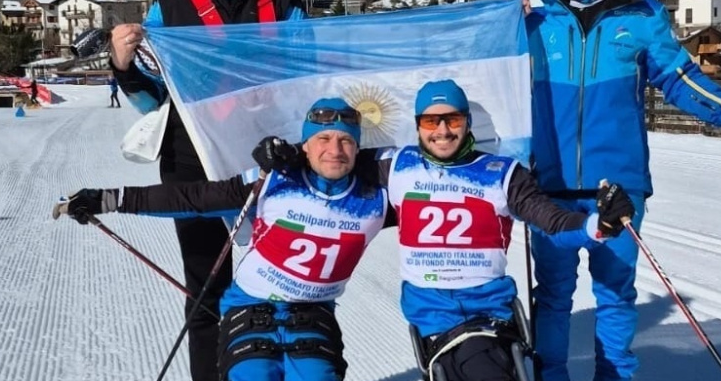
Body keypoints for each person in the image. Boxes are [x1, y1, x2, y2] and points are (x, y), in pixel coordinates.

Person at [505, 0, 721, 381]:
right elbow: (483, 63)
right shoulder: (531, 17)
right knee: (554, 296)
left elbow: (677, 76)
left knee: (615, 293)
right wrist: (501, 22)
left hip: (617, 184)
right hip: (550, 183)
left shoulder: (640, 10)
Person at [259, 80, 637, 381]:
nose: (442, 131)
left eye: (452, 120)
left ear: (466, 123)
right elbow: (331, 159)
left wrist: (598, 224)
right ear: (418, 125)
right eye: (430, 122)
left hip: (488, 316)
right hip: (435, 319)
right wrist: (285, 156)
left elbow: (551, 220)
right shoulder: (397, 165)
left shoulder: (502, 173)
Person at [106, 0, 306, 381]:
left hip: (266, 158)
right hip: (191, 156)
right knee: (206, 291)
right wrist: (123, 63)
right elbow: (153, 96)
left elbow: (307, 80)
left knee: (280, 284)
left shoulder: (284, 0)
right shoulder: (171, 4)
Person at [54, 98, 387, 381]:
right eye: (323, 138)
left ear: (358, 148)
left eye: (346, 140)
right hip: (251, 307)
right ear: (305, 145)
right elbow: (193, 198)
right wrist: (109, 198)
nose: (334, 150)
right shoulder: (274, 180)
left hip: (311, 314)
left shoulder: (377, 196)